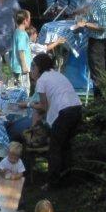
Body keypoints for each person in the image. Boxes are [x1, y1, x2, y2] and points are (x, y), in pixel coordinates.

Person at [29, 53, 83, 189]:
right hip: (77, 108)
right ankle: (66, 178)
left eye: (33, 66)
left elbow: (43, 106)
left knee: (55, 148)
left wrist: (30, 105)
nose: (32, 69)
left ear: (39, 67)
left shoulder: (41, 80)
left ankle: (52, 183)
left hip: (64, 112)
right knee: (66, 146)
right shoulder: (57, 74)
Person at [75, 0, 106, 90]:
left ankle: (100, 101)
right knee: (103, 71)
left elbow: (103, 26)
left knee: (98, 73)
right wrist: (80, 12)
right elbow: (92, 8)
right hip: (104, 39)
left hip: (101, 41)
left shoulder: (103, 4)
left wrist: (85, 24)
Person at [10, 9, 34, 93]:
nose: (30, 20)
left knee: (16, 89)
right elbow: (21, 51)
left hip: (17, 67)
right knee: (24, 90)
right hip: (21, 68)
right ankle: (24, 104)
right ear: (25, 21)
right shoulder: (22, 34)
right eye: (29, 19)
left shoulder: (17, 31)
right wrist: (24, 66)